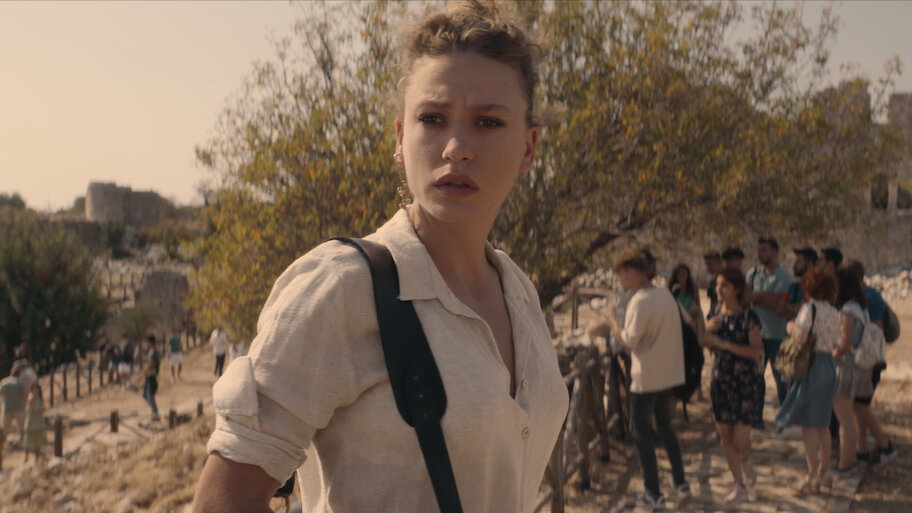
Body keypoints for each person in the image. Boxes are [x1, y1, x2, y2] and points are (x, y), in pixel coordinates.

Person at [192, 3, 569, 512]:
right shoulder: (342, 288)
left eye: (488, 122)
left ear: (528, 147)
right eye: (432, 118)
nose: (457, 147)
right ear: (400, 138)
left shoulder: (517, 289)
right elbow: (222, 502)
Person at [602, 249, 689, 508]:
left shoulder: (639, 301)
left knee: (641, 435)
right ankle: (680, 482)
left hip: (646, 378)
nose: (619, 279)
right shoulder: (665, 295)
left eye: (620, 274)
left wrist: (612, 322)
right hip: (668, 375)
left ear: (631, 271)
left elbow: (629, 341)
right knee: (665, 428)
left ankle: (653, 492)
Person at [702, 267, 764, 503]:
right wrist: (706, 335)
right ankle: (739, 485)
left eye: (724, 285)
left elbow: (755, 351)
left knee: (740, 439)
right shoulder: (714, 314)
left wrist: (724, 344)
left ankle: (745, 460)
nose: (719, 289)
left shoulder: (749, 317)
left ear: (737, 289)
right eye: (717, 284)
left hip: (745, 382)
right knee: (725, 437)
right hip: (721, 381)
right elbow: (705, 343)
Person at [775, 268, 839, 495]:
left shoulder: (808, 308)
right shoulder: (834, 311)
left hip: (810, 364)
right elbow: (836, 340)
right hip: (829, 364)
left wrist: (790, 327)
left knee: (809, 424)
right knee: (822, 422)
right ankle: (826, 469)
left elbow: (801, 336)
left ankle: (812, 475)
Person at [843, 260, 896, 463]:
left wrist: (870, 366)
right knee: (858, 406)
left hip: (868, 363)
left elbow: (876, 331)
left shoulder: (870, 298)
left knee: (861, 405)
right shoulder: (865, 297)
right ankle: (862, 449)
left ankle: (885, 445)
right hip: (864, 362)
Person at [745, 237, 794, 407]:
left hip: (777, 336)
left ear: (775, 252)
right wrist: (767, 296)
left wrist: (757, 296)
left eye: (764, 250)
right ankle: (755, 415)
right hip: (756, 336)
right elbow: (746, 298)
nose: (760, 254)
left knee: (781, 380)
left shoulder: (784, 277)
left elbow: (777, 304)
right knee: (755, 379)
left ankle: (785, 416)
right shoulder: (753, 274)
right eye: (759, 250)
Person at [776, 247, 817, 321]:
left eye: (799, 261)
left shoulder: (817, 287)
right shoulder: (793, 287)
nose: (794, 265)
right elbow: (780, 310)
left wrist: (789, 307)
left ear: (809, 264)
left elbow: (807, 310)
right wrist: (797, 307)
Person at [0, 362, 27, 446]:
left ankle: (2, 443)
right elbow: (23, 394)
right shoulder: (19, 383)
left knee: (5, 429)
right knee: (22, 427)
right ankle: (23, 442)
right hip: (18, 408)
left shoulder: (4, 382)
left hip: (6, 408)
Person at [22, 383, 47, 462]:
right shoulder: (30, 398)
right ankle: (26, 457)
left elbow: (43, 409)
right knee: (28, 440)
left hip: (39, 422)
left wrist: (42, 410)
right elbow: (28, 409)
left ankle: (37, 458)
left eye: (37, 389)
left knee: (38, 440)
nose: (36, 391)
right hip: (31, 422)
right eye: (34, 389)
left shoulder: (40, 399)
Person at [141, 335, 161, 422]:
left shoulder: (154, 352)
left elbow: (152, 363)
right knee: (145, 394)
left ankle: (155, 414)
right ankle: (154, 411)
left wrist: (146, 369)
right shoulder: (152, 351)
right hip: (149, 376)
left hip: (152, 376)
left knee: (149, 395)